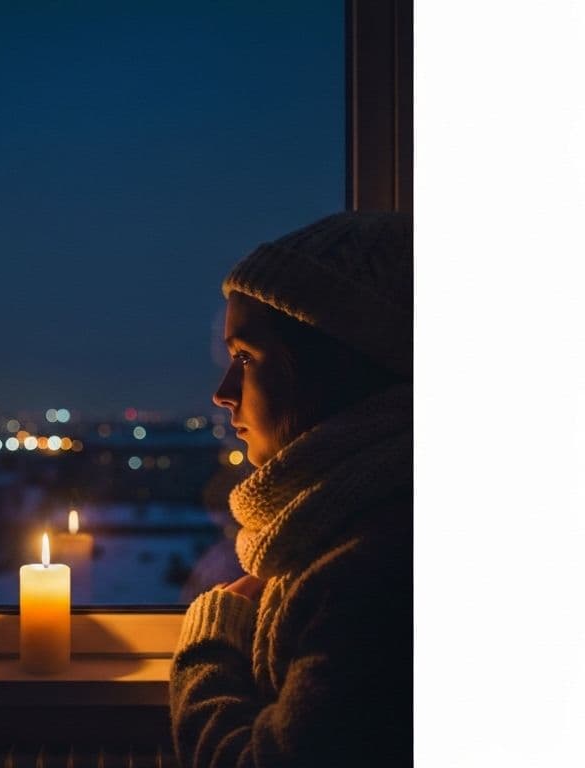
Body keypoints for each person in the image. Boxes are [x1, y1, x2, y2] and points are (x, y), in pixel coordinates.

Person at [169, 210, 412, 766]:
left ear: (330, 369)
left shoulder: (369, 571)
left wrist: (211, 645)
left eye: (245, 357)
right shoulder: (336, 529)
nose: (223, 392)